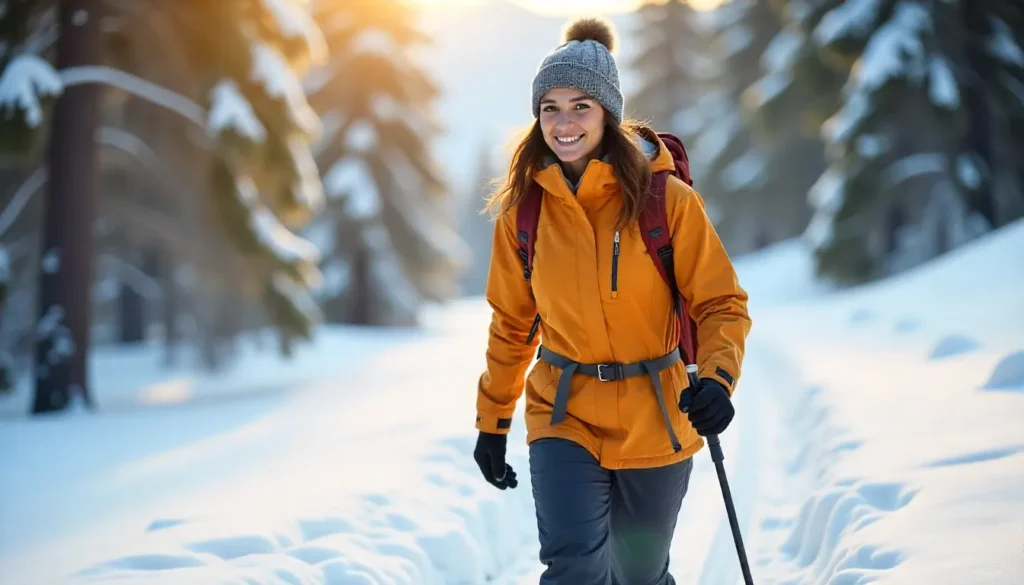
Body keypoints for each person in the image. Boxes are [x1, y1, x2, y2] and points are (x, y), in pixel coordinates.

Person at [472, 15, 752, 585]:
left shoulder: (664, 200)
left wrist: (718, 381)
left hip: (659, 417)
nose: (564, 122)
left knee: (640, 574)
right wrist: (492, 420)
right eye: (550, 107)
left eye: (580, 106)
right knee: (572, 568)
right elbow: (512, 323)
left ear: (608, 113)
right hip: (563, 411)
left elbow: (720, 302)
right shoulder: (524, 212)